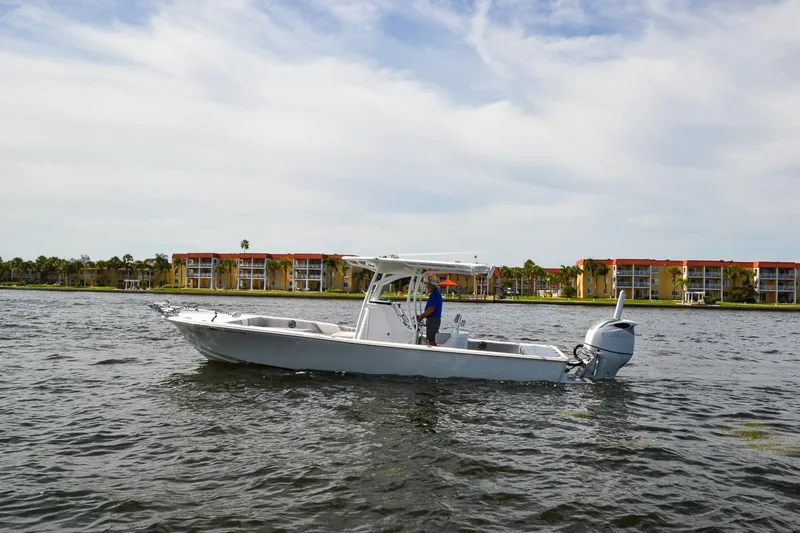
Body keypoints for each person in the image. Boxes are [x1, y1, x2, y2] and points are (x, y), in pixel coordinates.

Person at [417, 280, 443, 346]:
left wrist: (421, 316)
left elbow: (431, 308)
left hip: (433, 319)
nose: (427, 287)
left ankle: (435, 354)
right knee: (433, 338)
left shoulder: (435, 294)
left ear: (433, 286)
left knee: (431, 339)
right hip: (433, 319)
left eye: (428, 286)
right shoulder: (435, 294)